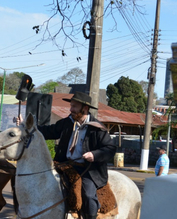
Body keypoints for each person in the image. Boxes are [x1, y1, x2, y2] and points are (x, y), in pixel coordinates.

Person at [16, 91, 116, 219]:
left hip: (87, 169)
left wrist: (94, 155)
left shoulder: (97, 128)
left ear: (85, 108)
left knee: (89, 195)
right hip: (65, 165)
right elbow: (48, 131)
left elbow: (110, 148)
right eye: (71, 106)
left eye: (74, 106)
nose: (71, 109)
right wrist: (27, 126)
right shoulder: (67, 122)